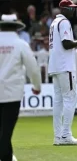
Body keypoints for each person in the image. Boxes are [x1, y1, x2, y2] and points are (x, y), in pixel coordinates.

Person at [48, 0, 77, 146]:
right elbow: (66, 44)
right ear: (64, 9)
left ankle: (58, 136)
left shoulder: (54, 23)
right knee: (70, 99)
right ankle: (66, 135)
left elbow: (64, 43)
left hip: (55, 66)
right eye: (71, 8)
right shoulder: (65, 22)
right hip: (64, 65)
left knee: (58, 101)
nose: (73, 10)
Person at [0, 14, 41, 161]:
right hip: (12, 94)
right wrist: (37, 86)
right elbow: (34, 68)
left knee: (3, 134)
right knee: (6, 133)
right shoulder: (20, 44)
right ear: (16, 28)